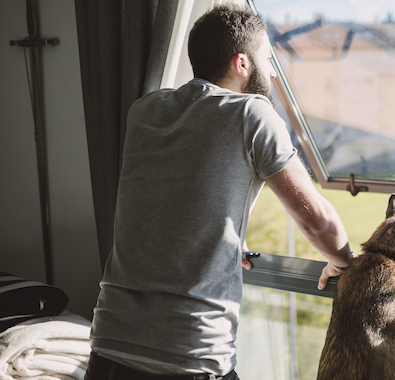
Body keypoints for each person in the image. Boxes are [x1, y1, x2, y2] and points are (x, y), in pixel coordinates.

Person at [85, 5, 353, 380]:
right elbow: (317, 220)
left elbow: (167, 198)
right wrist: (344, 263)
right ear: (242, 63)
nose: (273, 72)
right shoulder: (251, 114)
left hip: (110, 345)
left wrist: (226, 238)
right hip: (188, 353)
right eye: (267, 59)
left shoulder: (144, 111)